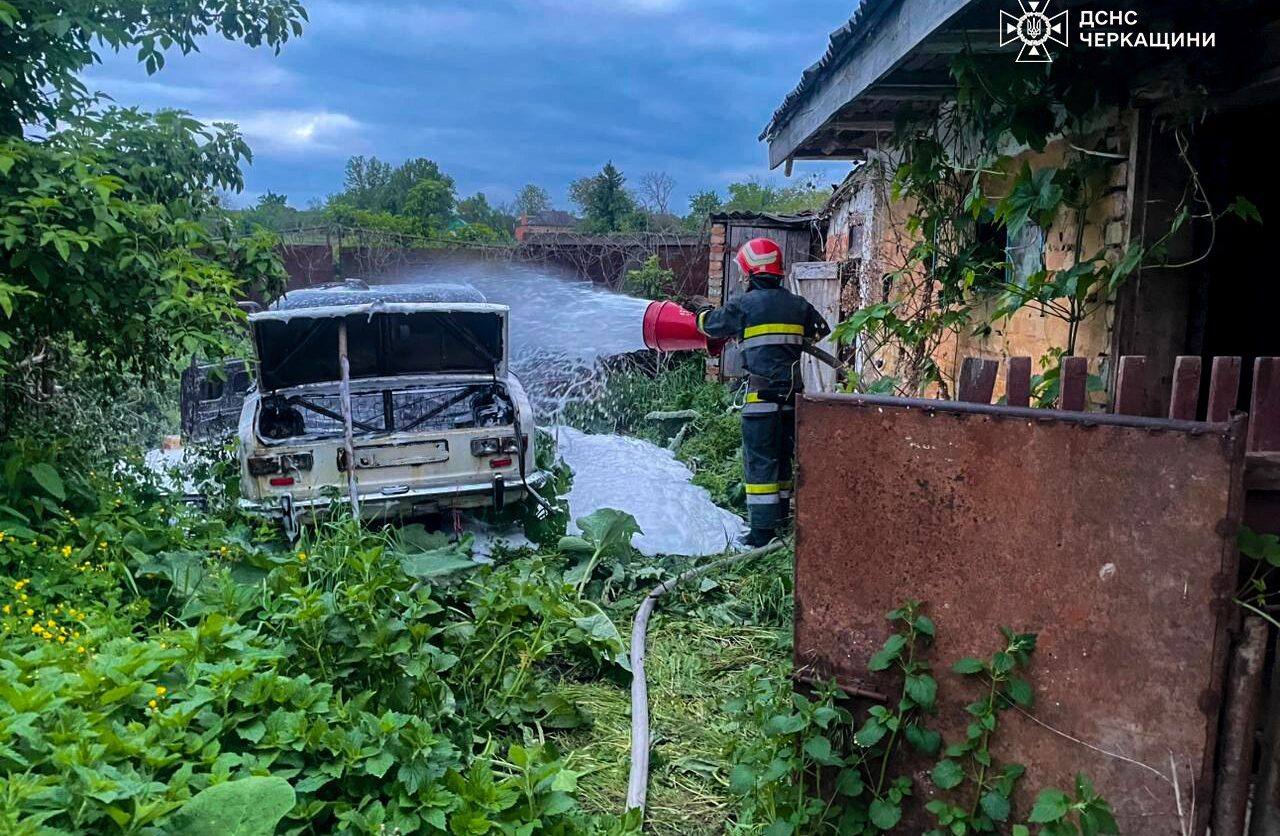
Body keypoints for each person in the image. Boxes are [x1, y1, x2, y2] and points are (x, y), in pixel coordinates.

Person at [694, 237, 830, 547]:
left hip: (761, 400)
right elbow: (821, 331)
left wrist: (699, 313)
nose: (742, 276)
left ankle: (761, 533)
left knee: (760, 463)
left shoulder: (744, 305)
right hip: (793, 401)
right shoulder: (798, 304)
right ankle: (780, 521)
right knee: (782, 459)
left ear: (753, 271)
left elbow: (710, 326)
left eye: (744, 271)